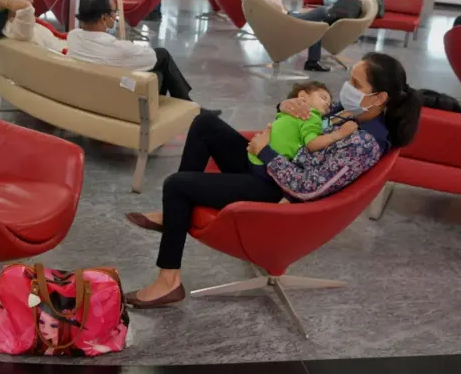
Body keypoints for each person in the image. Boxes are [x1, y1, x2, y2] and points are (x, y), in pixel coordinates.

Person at [124, 52, 422, 308]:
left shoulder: (365, 143)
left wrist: (265, 152)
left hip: (277, 191)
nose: (347, 88)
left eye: (356, 84)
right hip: (271, 165)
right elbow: (307, 117)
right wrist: (284, 106)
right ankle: (175, 214)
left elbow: (308, 189)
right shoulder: (352, 112)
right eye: (350, 80)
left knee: (176, 186)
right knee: (204, 123)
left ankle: (168, 281)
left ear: (380, 97)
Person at [67, 0, 221, 115]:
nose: (115, 17)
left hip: (89, 95)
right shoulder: (118, 49)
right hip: (117, 101)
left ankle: (191, 109)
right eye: (114, 12)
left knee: (161, 63)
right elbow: (151, 57)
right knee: (162, 59)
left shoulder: (72, 37)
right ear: (103, 17)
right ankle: (193, 111)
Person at [241, 0, 331, 72]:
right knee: (322, 11)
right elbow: (279, 5)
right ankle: (313, 61)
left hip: (278, 20)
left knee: (317, 23)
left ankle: (313, 61)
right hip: (285, 21)